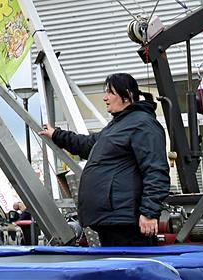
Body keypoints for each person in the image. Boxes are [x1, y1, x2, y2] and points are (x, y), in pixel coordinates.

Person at [40, 73, 169, 247]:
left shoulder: (142, 124)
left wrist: (149, 213)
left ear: (128, 95)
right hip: (110, 219)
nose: (105, 97)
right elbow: (86, 144)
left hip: (126, 222)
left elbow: (155, 170)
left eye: (110, 92)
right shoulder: (117, 126)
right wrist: (57, 134)